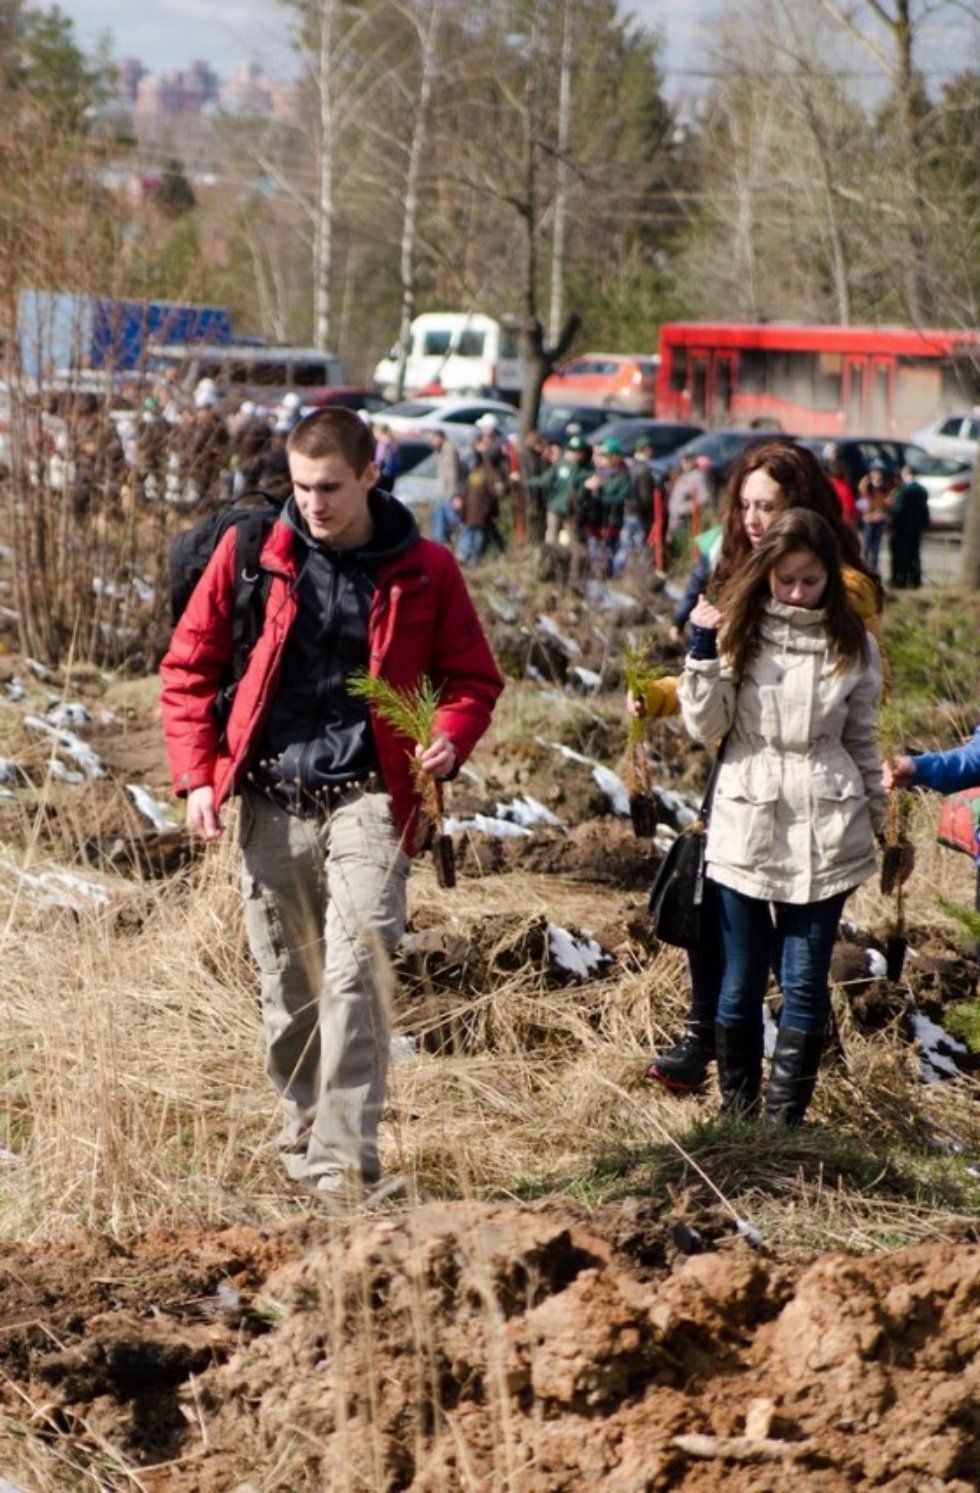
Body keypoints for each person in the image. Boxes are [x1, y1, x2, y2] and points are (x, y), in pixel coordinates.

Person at [160, 408, 503, 1203]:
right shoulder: (255, 554)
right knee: (291, 988)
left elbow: (473, 678)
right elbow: (189, 666)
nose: (313, 503)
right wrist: (199, 778)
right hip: (272, 792)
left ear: (372, 476)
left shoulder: (427, 569)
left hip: (373, 796)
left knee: (359, 968)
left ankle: (341, 1166)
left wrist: (449, 736)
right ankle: (302, 1138)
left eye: (331, 487)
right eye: (303, 486)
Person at [628, 441, 884, 1092]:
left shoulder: (844, 596)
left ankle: (788, 1091)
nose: (751, 518)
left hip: (817, 797)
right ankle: (712, 1059)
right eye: (744, 504)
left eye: (766, 506)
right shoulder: (739, 578)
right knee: (724, 941)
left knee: (799, 967)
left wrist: (881, 817)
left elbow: (854, 712)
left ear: (800, 507)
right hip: (742, 781)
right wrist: (663, 691)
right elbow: (716, 688)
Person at [678, 509, 885, 1124]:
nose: (796, 593)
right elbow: (706, 725)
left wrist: (883, 823)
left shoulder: (854, 645)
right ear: (766, 572)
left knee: (804, 980)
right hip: (745, 815)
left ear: (830, 578)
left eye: (810, 581)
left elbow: (863, 740)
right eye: (785, 579)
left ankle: (783, 1122)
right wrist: (701, 652)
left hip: (829, 823)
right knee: (739, 980)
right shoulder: (739, 630)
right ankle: (737, 1115)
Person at [888, 461, 930, 589]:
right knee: (914, 554)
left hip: (902, 528)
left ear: (905, 474)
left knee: (901, 554)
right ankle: (915, 579)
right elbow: (924, 510)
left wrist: (892, 524)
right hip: (916, 527)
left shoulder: (903, 490)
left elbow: (898, 510)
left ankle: (900, 579)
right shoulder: (922, 490)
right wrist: (924, 525)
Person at [857, 460, 896, 572]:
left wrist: (885, 508)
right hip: (868, 520)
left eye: (879, 472)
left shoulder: (886, 487)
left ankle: (873, 568)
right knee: (866, 546)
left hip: (880, 520)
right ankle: (865, 567)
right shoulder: (866, 486)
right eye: (874, 472)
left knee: (876, 547)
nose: (877, 475)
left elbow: (888, 503)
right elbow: (861, 503)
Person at [431, 429, 464, 546]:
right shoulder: (440, 451)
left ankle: (460, 539)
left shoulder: (449, 449)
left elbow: (452, 473)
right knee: (439, 515)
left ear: (441, 438)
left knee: (452, 517)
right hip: (444, 491)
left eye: (434, 439)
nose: (433, 442)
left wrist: (454, 494)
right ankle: (439, 541)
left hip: (450, 491)